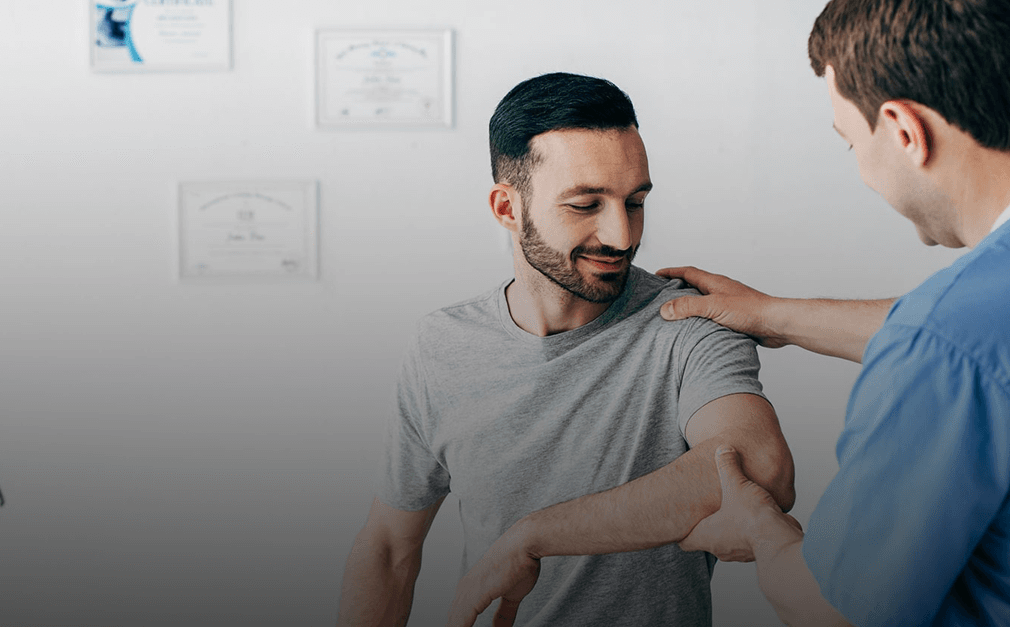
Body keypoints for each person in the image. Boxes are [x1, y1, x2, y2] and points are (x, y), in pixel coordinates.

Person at [665, 0, 1010, 627]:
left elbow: (837, 612)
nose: (859, 167)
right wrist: (772, 315)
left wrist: (760, 530)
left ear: (906, 130)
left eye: (851, 143)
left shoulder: (947, 342)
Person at [335, 72, 797, 627]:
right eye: (585, 205)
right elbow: (390, 548)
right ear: (507, 208)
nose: (622, 236)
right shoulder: (441, 345)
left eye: (635, 202)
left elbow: (759, 467)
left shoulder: (689, 321)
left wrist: (533, 537)